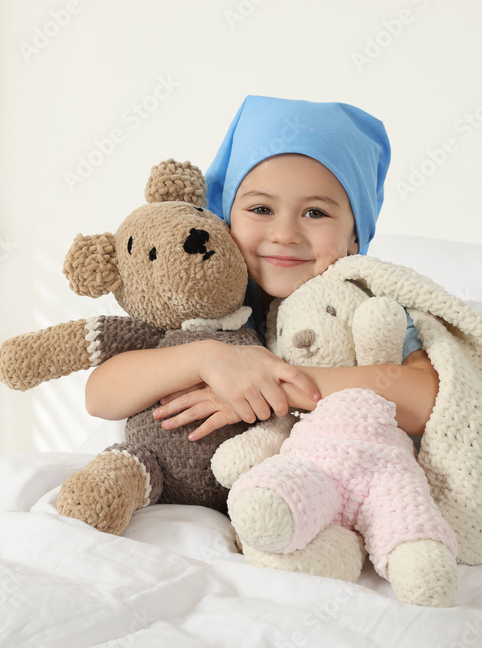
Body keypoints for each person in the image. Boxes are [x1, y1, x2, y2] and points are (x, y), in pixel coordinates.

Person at [84, 95, 438, 442]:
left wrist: (269, 384)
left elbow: (426, 399)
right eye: (261, 210)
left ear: (355, 237)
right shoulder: (201, 290)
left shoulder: (364, 298)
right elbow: (99, 396)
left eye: (315, 213)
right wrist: (206, 359)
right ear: (225, 216)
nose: (284, 235)